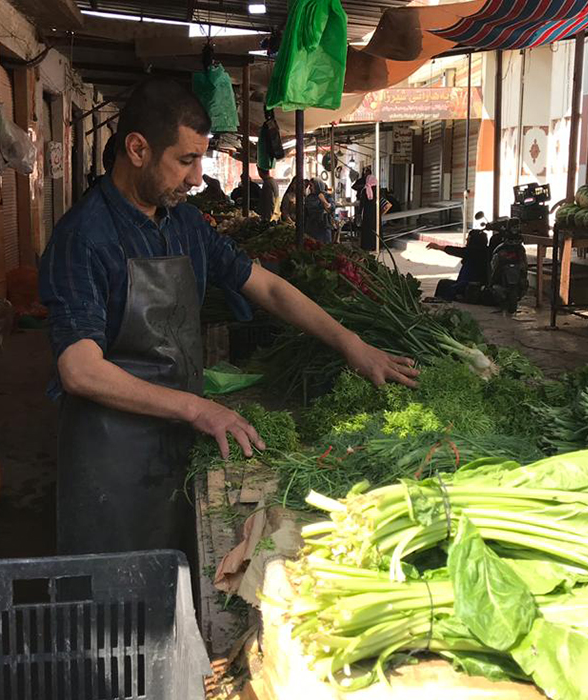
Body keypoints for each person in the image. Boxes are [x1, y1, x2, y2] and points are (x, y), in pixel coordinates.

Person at [38, 79, 419, 557]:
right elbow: (80, 370)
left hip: (178, 436)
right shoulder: (84, 238)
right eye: (186, 160)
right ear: (137, 149)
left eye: (200, 160)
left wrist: (352, 344)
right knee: (120, 587)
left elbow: (269, 288)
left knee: (183, 568)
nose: (198, 178)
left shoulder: (184, 223)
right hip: (111, 457)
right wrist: (198, 408)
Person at [428, 228, 491, 301]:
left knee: (447, 287)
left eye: (469, 239)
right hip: (468, 284)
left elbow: (455, 251)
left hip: (471, 286)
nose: (466, 240)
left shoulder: (474, 252)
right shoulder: (485, 251)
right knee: (444, 283)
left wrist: (438, 247)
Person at [357, 175, 394, 251]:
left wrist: (359, 213)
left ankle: (367, 246)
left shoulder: (365, 190)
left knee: (367, 230)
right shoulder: (378, 190)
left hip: (367, 214)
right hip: (376, 213)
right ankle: (377, 245)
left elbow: (362, 204)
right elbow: (382, 200)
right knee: (376, 228)